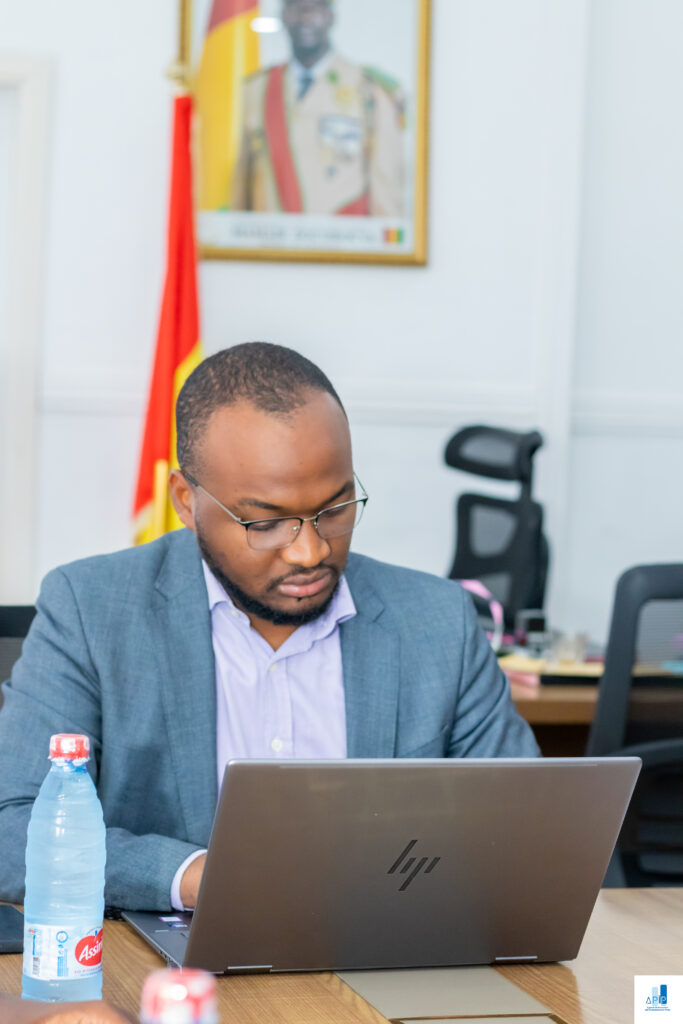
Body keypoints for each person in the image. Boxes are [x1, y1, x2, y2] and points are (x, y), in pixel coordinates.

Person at [0, 342, 539, 913]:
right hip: (173, 959)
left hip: (387, 945)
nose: (311, 552)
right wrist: (195, 878)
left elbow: (531, 828)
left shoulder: (439, 621)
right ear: (186, 501)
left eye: (334, 509)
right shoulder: (91, 611)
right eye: (266, 523)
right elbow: (12, 831)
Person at [231, 0, 405, 216]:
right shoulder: (256, 90)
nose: (305, 17)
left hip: (341, 236)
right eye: (295, 7)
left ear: (331, 15)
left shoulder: (369, 92)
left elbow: (386, 196)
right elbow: (241, 190)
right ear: (283, 15)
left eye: (316, 7)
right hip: (270, 235)